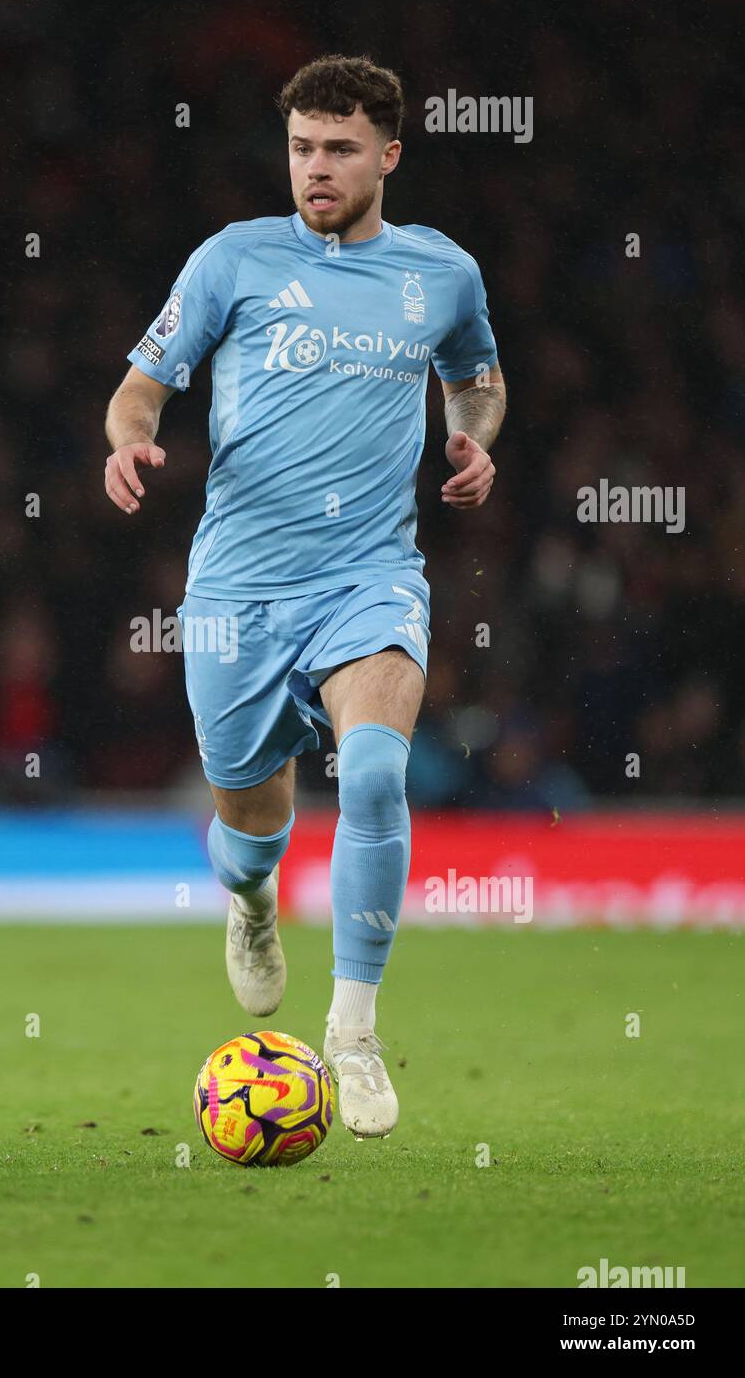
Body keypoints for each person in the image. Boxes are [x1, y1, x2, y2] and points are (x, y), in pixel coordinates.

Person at [104, 55, 505, 1138]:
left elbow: (478, 374)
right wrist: (131, 442)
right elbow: (142, 384)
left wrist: (475, 436)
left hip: (370, 576)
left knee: (376, 773)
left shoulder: (442, 274)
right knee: (252, 813)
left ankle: (356, 1032)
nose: (315, 168)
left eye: (337, 149)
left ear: (389, 155)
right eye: (300, 148)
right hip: (238, 588)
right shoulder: (234, 260)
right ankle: (248, 900)